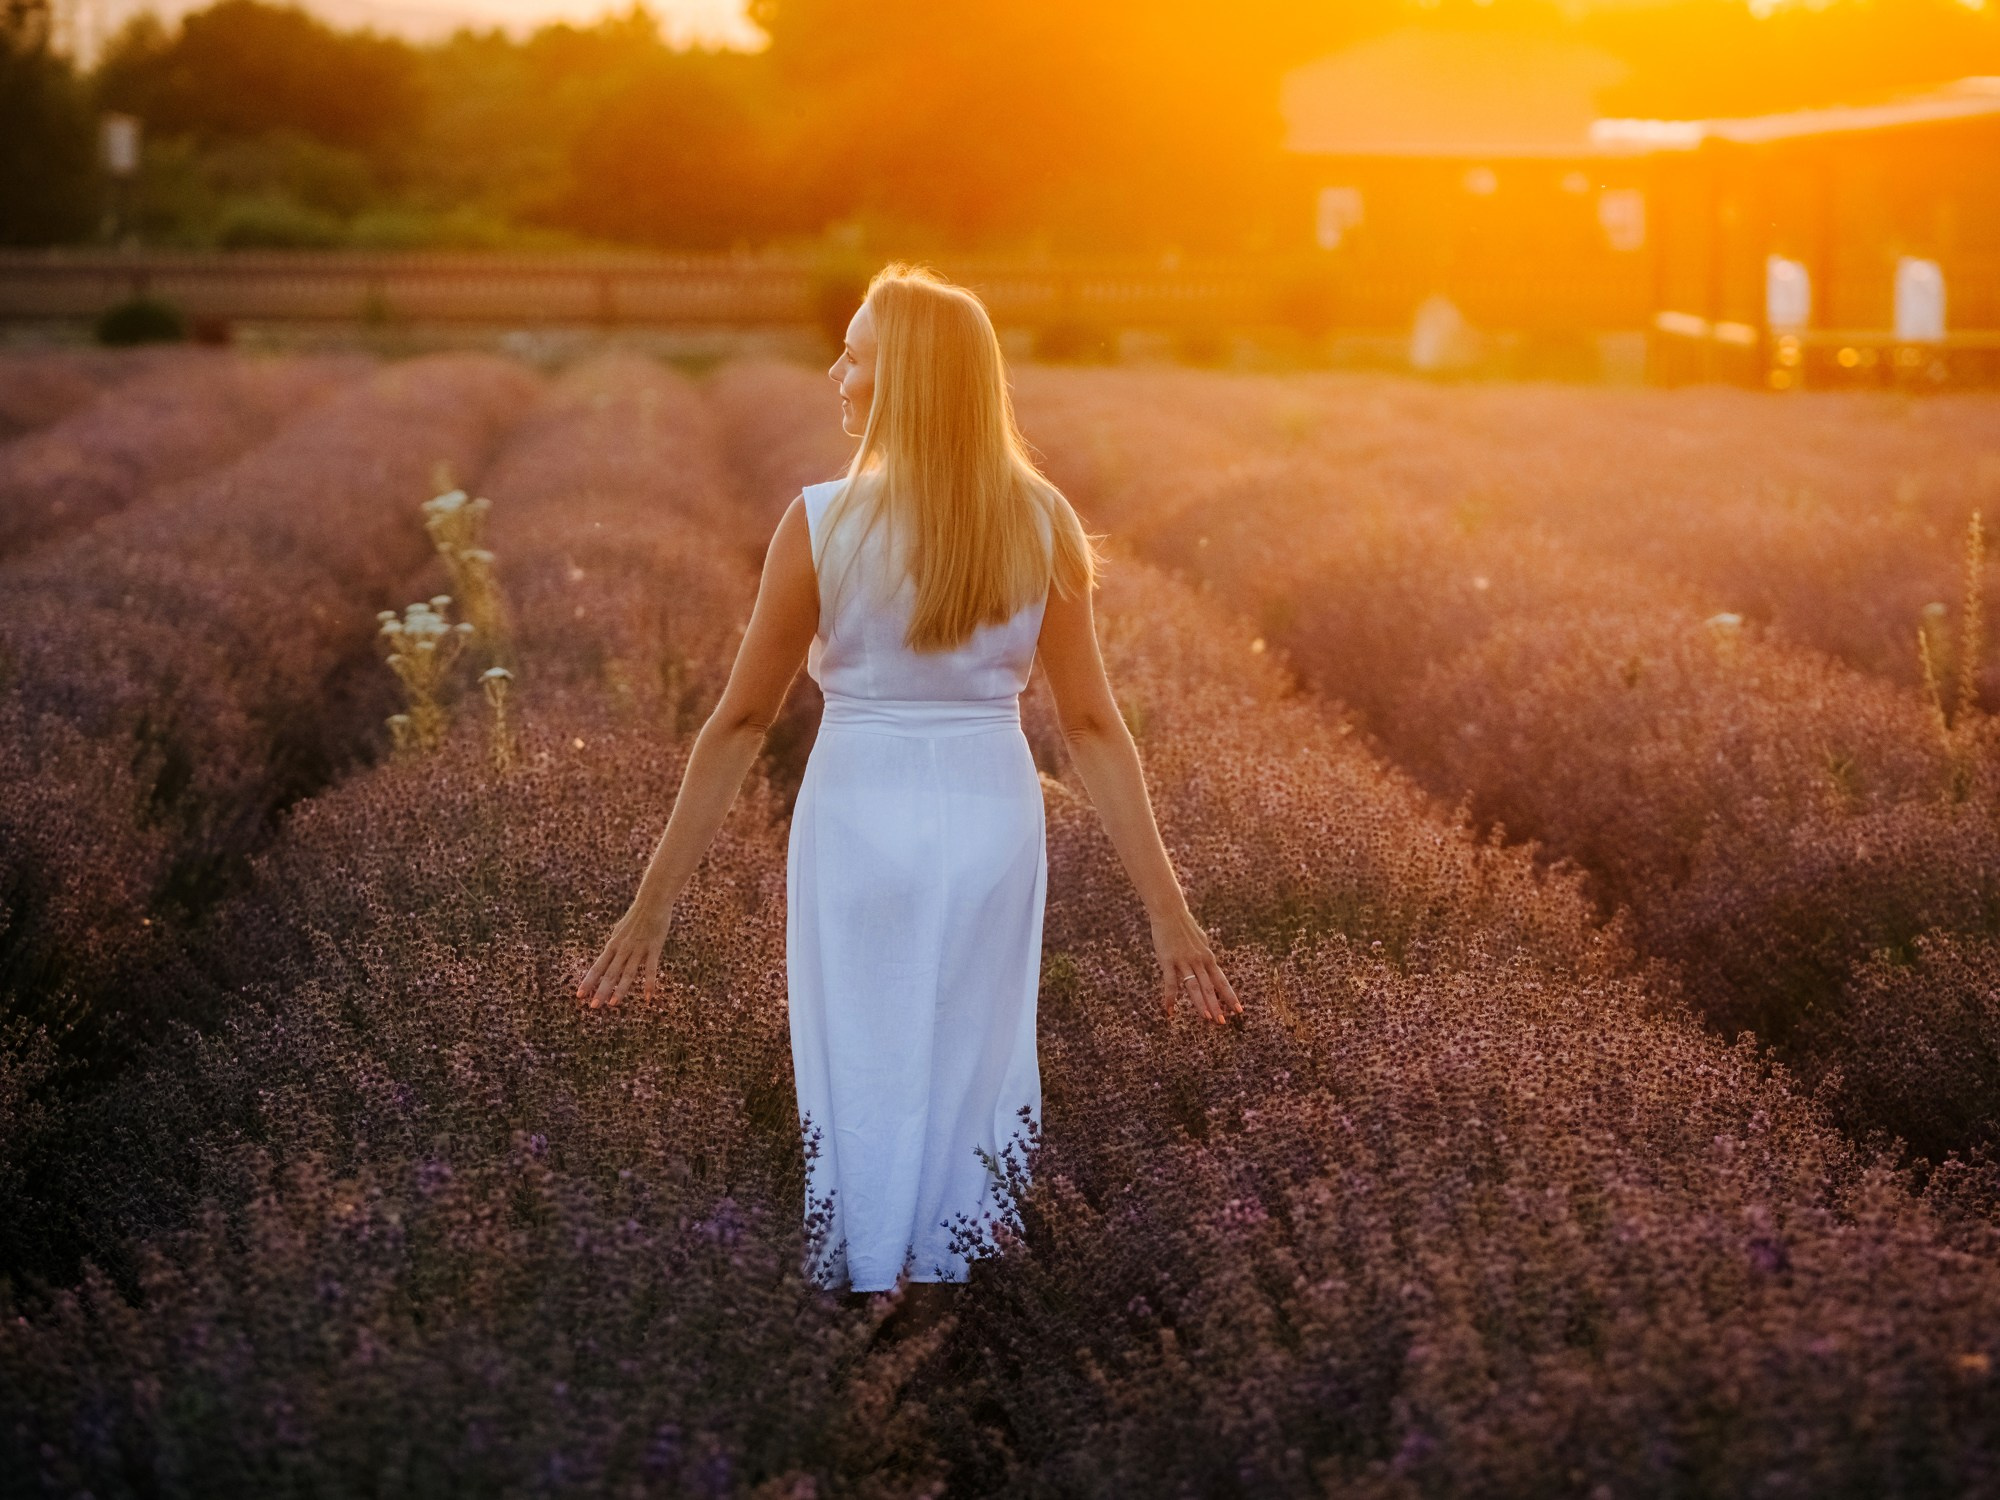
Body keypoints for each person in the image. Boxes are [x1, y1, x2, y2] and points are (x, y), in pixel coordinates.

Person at [577, 262, 1241, 1336]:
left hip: (855, 814)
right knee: (969, 1067)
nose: (834, 371)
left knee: (859, 1062)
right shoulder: (1041, 521)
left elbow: (741, 724)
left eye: (854, 354)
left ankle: (863, 1306)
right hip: (989, 817)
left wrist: (650, 908)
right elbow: (1089, 730)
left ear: (906, 383)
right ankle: (942, 1314)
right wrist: (1170, 917)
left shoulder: (821, 523)